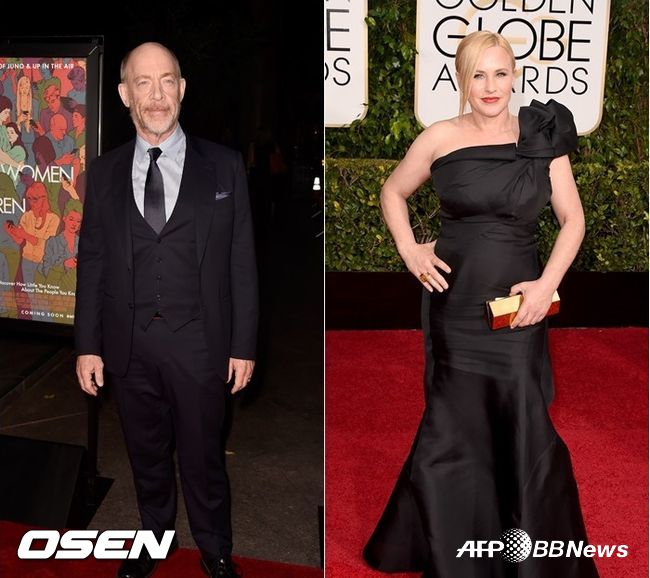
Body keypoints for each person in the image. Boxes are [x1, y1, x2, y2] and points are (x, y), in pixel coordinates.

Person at [363, 31, 599, 578]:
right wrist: (409, 248)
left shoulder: (541, 136)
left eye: (500, 73)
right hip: (455, 305)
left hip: (519, 309)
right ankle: (452, 553)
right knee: (452, 425)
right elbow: (393, 191)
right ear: (462, 80)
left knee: (521, 420)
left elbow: (573, 220)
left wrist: (545, 285)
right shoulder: (440, 137)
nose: (490, 86)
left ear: (515, 76)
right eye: (478, 75)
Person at [74, 42, 258, 578]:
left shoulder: (224, 166)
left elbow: (242, 262)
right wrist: (87, 345)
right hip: (128, 344)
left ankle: (215, 549)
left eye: (167, 81)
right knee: (145, 454)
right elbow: (93, 263)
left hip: (201, 343)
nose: (157, 95)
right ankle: (153, 539)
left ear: (182, 88)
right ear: (124, 94)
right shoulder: (103, 173)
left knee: (203, 457)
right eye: (144, 83)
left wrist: (243, 344)